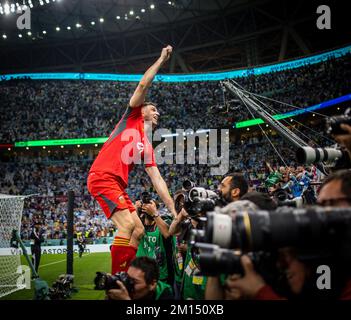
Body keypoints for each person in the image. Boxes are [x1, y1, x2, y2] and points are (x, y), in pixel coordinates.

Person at [87, 46, 177, 274]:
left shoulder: (147, 146)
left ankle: (128, 276)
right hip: (103, 177)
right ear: (143, 110)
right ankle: (117, 284)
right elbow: (143, 85)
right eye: (153, 108)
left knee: (138, 231)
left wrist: (173, 209)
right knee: (127, 225)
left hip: (117, 184)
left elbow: (158, 180)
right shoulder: (132, 117)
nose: (157, 113)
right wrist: (160, 59)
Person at [135, 199, 174, 285]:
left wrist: (154, 214)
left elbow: (167, 234)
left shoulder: (165, 221)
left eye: (151, 206)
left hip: (161, 276)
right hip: (140, 274)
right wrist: (136, 211)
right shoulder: (138, 225)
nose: (148, 208)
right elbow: (131, 231)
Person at [106, 256, 174, 300]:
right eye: (127, 278)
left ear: (152, 284)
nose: (128, 284)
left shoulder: (165, 295)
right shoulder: (126, 292)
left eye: (134, 281)